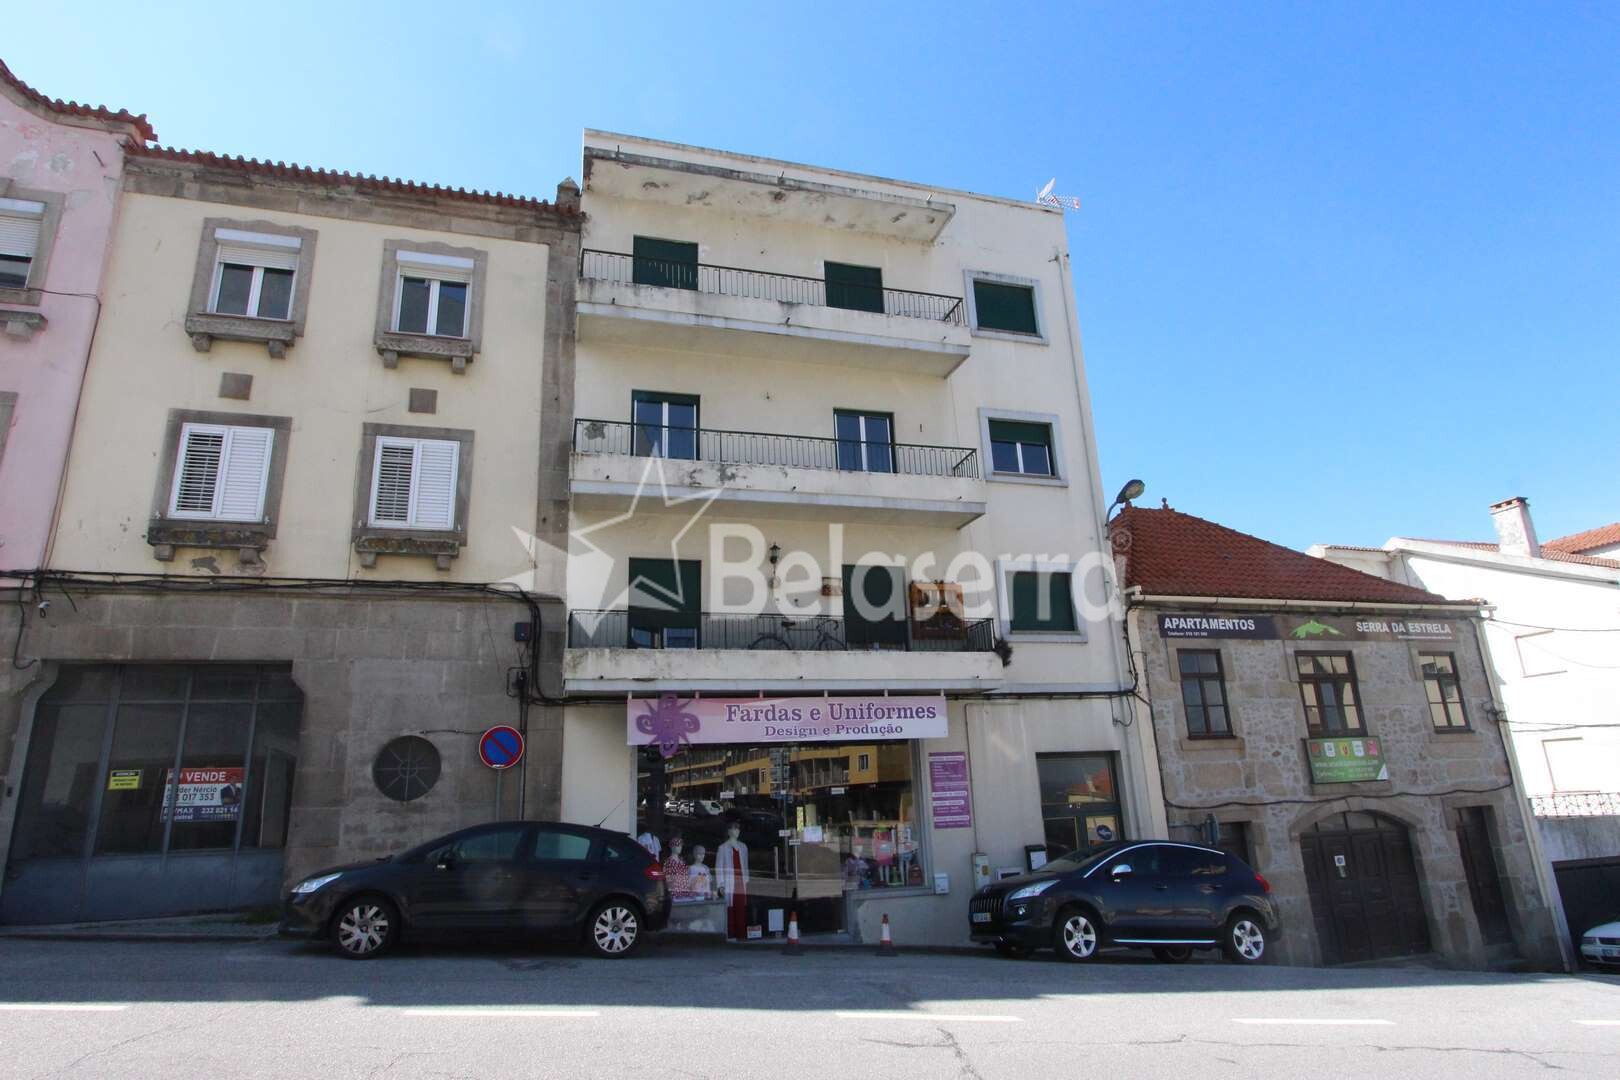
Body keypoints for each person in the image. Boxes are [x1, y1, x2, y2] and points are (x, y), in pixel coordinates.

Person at [714, 822, 749, 939]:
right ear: (729, 831)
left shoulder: (743, 847)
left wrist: (746, 880)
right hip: (729, 882)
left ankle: (741, 934)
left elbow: (745, 865)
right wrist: (720, 884)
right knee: (729, 907)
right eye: (734, 829)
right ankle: (731, 934)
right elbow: (719, 867)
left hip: (740, 882)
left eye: (738, 829)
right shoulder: (723, 848)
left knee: (741, 907)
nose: (737, 831)